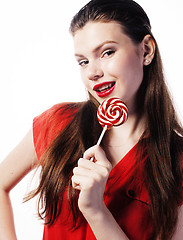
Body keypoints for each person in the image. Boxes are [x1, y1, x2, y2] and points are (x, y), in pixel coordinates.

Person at [0, 0, 183, 239]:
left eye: (107, 52)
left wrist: (95, 210)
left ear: (146, 50)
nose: (92, 72)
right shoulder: (57, 123)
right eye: (83, 61)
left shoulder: (177, 160)